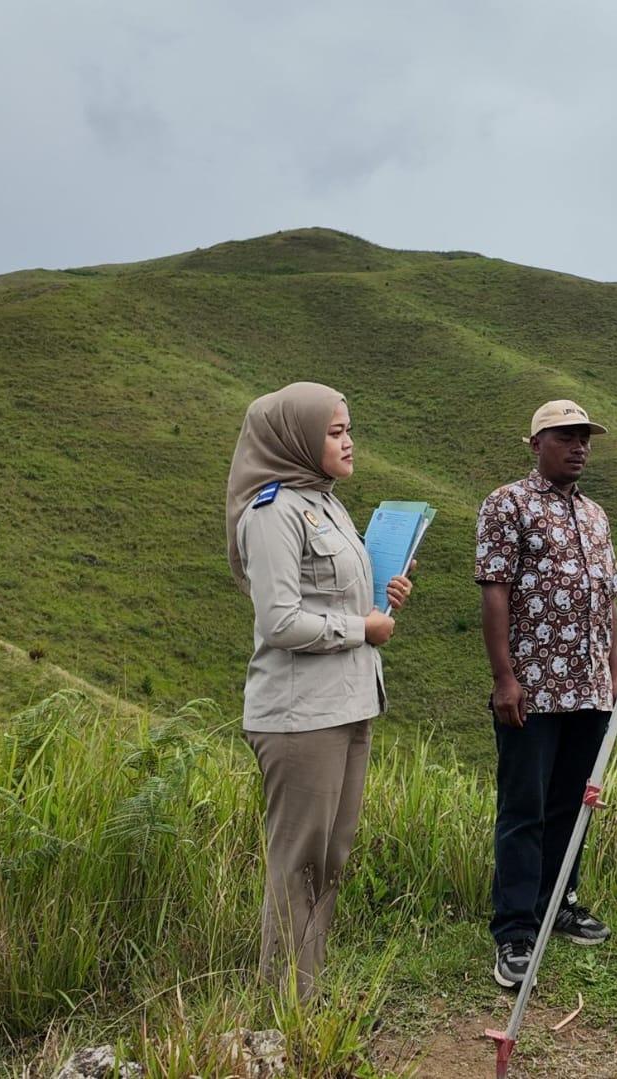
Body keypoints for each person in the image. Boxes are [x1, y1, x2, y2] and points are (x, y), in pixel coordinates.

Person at [226, 381, 413, 1000]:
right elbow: (278, 622)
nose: (349, 442)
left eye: (348, 429)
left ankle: (306, 995)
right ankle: (284, 1009)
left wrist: (381, 599)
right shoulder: (271, 512)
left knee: (328, 860)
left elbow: (328, 597)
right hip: (301, 716)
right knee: (298, 864)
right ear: (298, 438)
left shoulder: (326, 504)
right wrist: (361, 625)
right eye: (335, 432)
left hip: (349, 702)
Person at [475, 400, 617, 989]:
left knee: (571, 803)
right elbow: (495, 593)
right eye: (565, 437)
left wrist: (613, 674)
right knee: (523, 809)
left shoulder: (596, 515)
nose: (579, 446)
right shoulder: (506, 504)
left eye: (585, 437)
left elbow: (608, 599)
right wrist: (504, 677)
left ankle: (557, 903)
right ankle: (514, 931)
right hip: (532, 689)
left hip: (588, 686)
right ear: (536, 443)